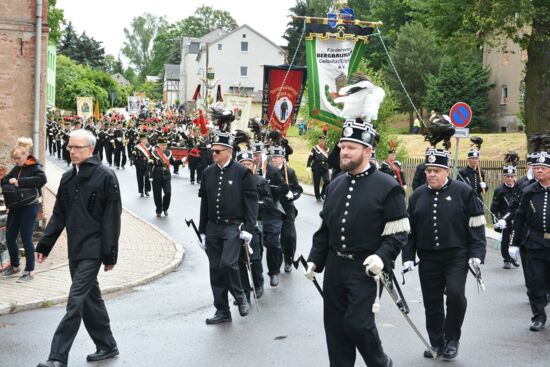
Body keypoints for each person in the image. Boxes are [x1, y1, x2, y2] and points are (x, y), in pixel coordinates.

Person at [305, 119, 408, 367]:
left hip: (366, 270)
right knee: (335, 329)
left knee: (358, 323)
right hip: (335, 266)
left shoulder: (388, 186)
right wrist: (315, 259)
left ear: (367, 151)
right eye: (343, 146)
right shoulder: (335, 184)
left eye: (351, 147)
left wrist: (382, 257)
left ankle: (380, 362)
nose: (345, 151)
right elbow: (325, 228)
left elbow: (399, 233)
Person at [35, 129, 120, 367]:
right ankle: (107, 345)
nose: (71, 151)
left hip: (94, 250)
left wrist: (110, 253)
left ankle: (57, 358)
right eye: (70, 147)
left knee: (75, 301)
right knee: (91, 299)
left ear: (90, 149)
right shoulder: (68, 177)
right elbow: (59, 214)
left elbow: (112, 218)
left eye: (77, 147)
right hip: (76, 249)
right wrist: (45, 244)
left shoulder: (105, 175)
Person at [403, 136, 486, 360]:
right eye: (429, 170)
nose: (431, 175)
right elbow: (410, 230)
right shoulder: (417, 196)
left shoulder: (463, 192)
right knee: (432, 301)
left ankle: (452, 339)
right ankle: (436, 342)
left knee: (456, 295)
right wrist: (408, 257)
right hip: (428, 258)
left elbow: (477, 224)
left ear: (446, 171)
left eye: (436, 170)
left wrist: (477, 254)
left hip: (456, 256)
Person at [198, 127, 257, 324]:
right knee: (215, 268)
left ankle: (240, 298)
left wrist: (249, 228)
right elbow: (204, 203)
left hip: (233, 227)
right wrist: (202, 231)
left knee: (228, 263)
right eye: (212, 151)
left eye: (217, 151)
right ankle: (222, 310)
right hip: (213, 227)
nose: (213, 154)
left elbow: (251, 202)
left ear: (229, 151)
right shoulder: (207, 173)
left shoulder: (242, 172)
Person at [510, 145, 550, 332]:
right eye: (536, 167)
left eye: (543, 168)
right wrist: (515, 243)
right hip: (534, 242)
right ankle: (538, 316)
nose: (539, 170)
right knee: (535, 281)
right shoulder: (529, 191)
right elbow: (520, 217)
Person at [1, 138, 47, 281]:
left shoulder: (35, 166)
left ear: (26, 155)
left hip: (29, 206)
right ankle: (15, 266)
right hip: (16, 206)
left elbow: (42, 180)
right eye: (14, 158)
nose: (16, 160)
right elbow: (4, 180)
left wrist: (19, 182)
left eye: (18, 158)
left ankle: (30, 271)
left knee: (26, 238)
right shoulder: (17, 168)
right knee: (10, 237)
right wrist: (8, 180)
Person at [236, 149, 269, 300]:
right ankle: (244, 292)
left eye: (249, 163)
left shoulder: (260, 181)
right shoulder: (233, 182)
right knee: (239, 261)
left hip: (255, 223)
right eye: (243, 164)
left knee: (254, 258)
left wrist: (254, 205)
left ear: (253, 166)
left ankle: (258, 283)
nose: (246, 166)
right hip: (237, 226)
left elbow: (268, 202)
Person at [268, 146, 302, 275]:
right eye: (272, 157)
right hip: (273, 209)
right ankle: (275, 264)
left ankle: (288, 260)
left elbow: (298, 189)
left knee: (288, 235)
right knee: (274, 239)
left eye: (276, 157)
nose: (274, 160)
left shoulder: (290, 172)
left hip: (287, 208)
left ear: (282, 158)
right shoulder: (268, 171)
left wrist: (293, 195)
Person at [491, 152, 520, 269]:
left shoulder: (519, 188)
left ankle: (514, 257)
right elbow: (494, 208)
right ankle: (506, 259)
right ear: (504, 177)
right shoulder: (499, 190)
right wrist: (496, 222)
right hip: (504, 219)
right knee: (505, 240)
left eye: (512, 176)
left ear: (515, 177)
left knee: (517, 239)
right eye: (507, 176)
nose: (510, 178)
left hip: (517, 218)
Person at [150, 137, 173, 217]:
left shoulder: (168, 153)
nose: (164, 146)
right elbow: (150, 164)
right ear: (159, 145)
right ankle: (159, 209)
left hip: (166, 175)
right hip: (157, 174)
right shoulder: (154, 153)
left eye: (165, 145)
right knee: (157, 194)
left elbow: (173, 162)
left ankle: (165, 208)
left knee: (168, 193)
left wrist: (181, 161)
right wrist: (150, 175)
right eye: (162, 145)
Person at [307, 135, 330, 201]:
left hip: (325, 167)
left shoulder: (327, 149)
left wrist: (330, 167)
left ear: (324, 142)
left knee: (327, 180)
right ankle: (317, 196)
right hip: (317, 167)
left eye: (323, 141)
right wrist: (308, 166)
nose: (322, 142)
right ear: (318, 141)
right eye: (321, 141)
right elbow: (310, 157)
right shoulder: (314, 148)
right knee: (316, 183)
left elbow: (329, 158)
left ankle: (323, 193)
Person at [131, 133, 152, 198]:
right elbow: (133, 155)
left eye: (146, 139)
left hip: (147, 163)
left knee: (147, 178)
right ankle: (141, 191)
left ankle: (146, 190)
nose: (146, 140)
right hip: (139, 163)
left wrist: (151, 161)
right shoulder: (137, 147)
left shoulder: (149, 146)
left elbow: (151, 155)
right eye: (144, 139)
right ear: (141, 140)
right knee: (140, 178)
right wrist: (133, 162)